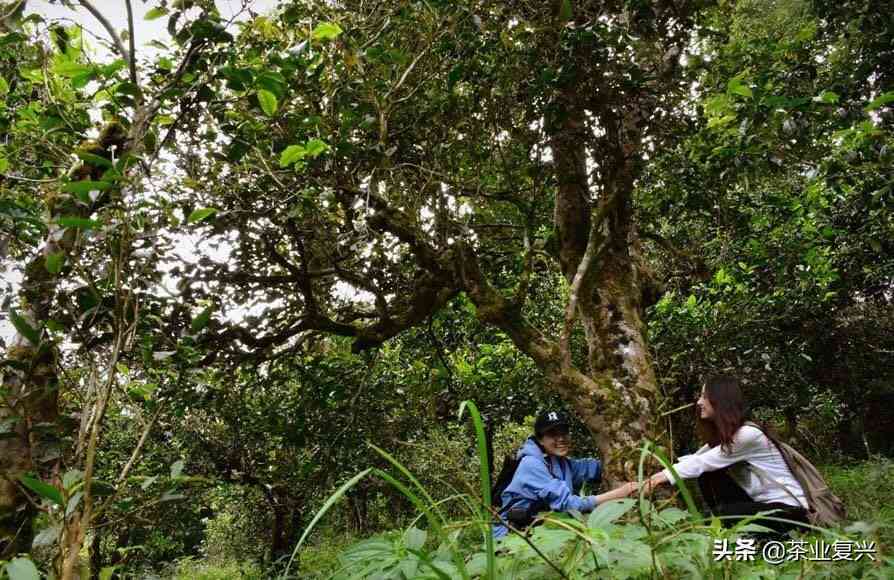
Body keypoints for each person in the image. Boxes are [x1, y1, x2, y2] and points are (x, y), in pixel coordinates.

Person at [640, 375, 809, 536]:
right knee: (709, 476)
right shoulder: (730, 437)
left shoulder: (747, 435)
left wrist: (654, 480)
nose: (699, 402)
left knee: (717, 516)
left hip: (790, 512)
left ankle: (774, 536)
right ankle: (743, 531)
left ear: (720, 401)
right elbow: (695, 461)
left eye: (704, 397)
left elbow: (699, 463)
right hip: (762, 505)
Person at [493, 410, 637, 539]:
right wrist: (623, 492)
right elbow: (569, 504)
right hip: (511, 538)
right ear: (540, 440)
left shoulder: (561, 463)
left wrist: (629, 459)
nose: (560, 438)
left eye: (563, 432)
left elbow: (594, 468)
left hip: (538, 534)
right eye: (552, 434)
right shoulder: (531, 464)